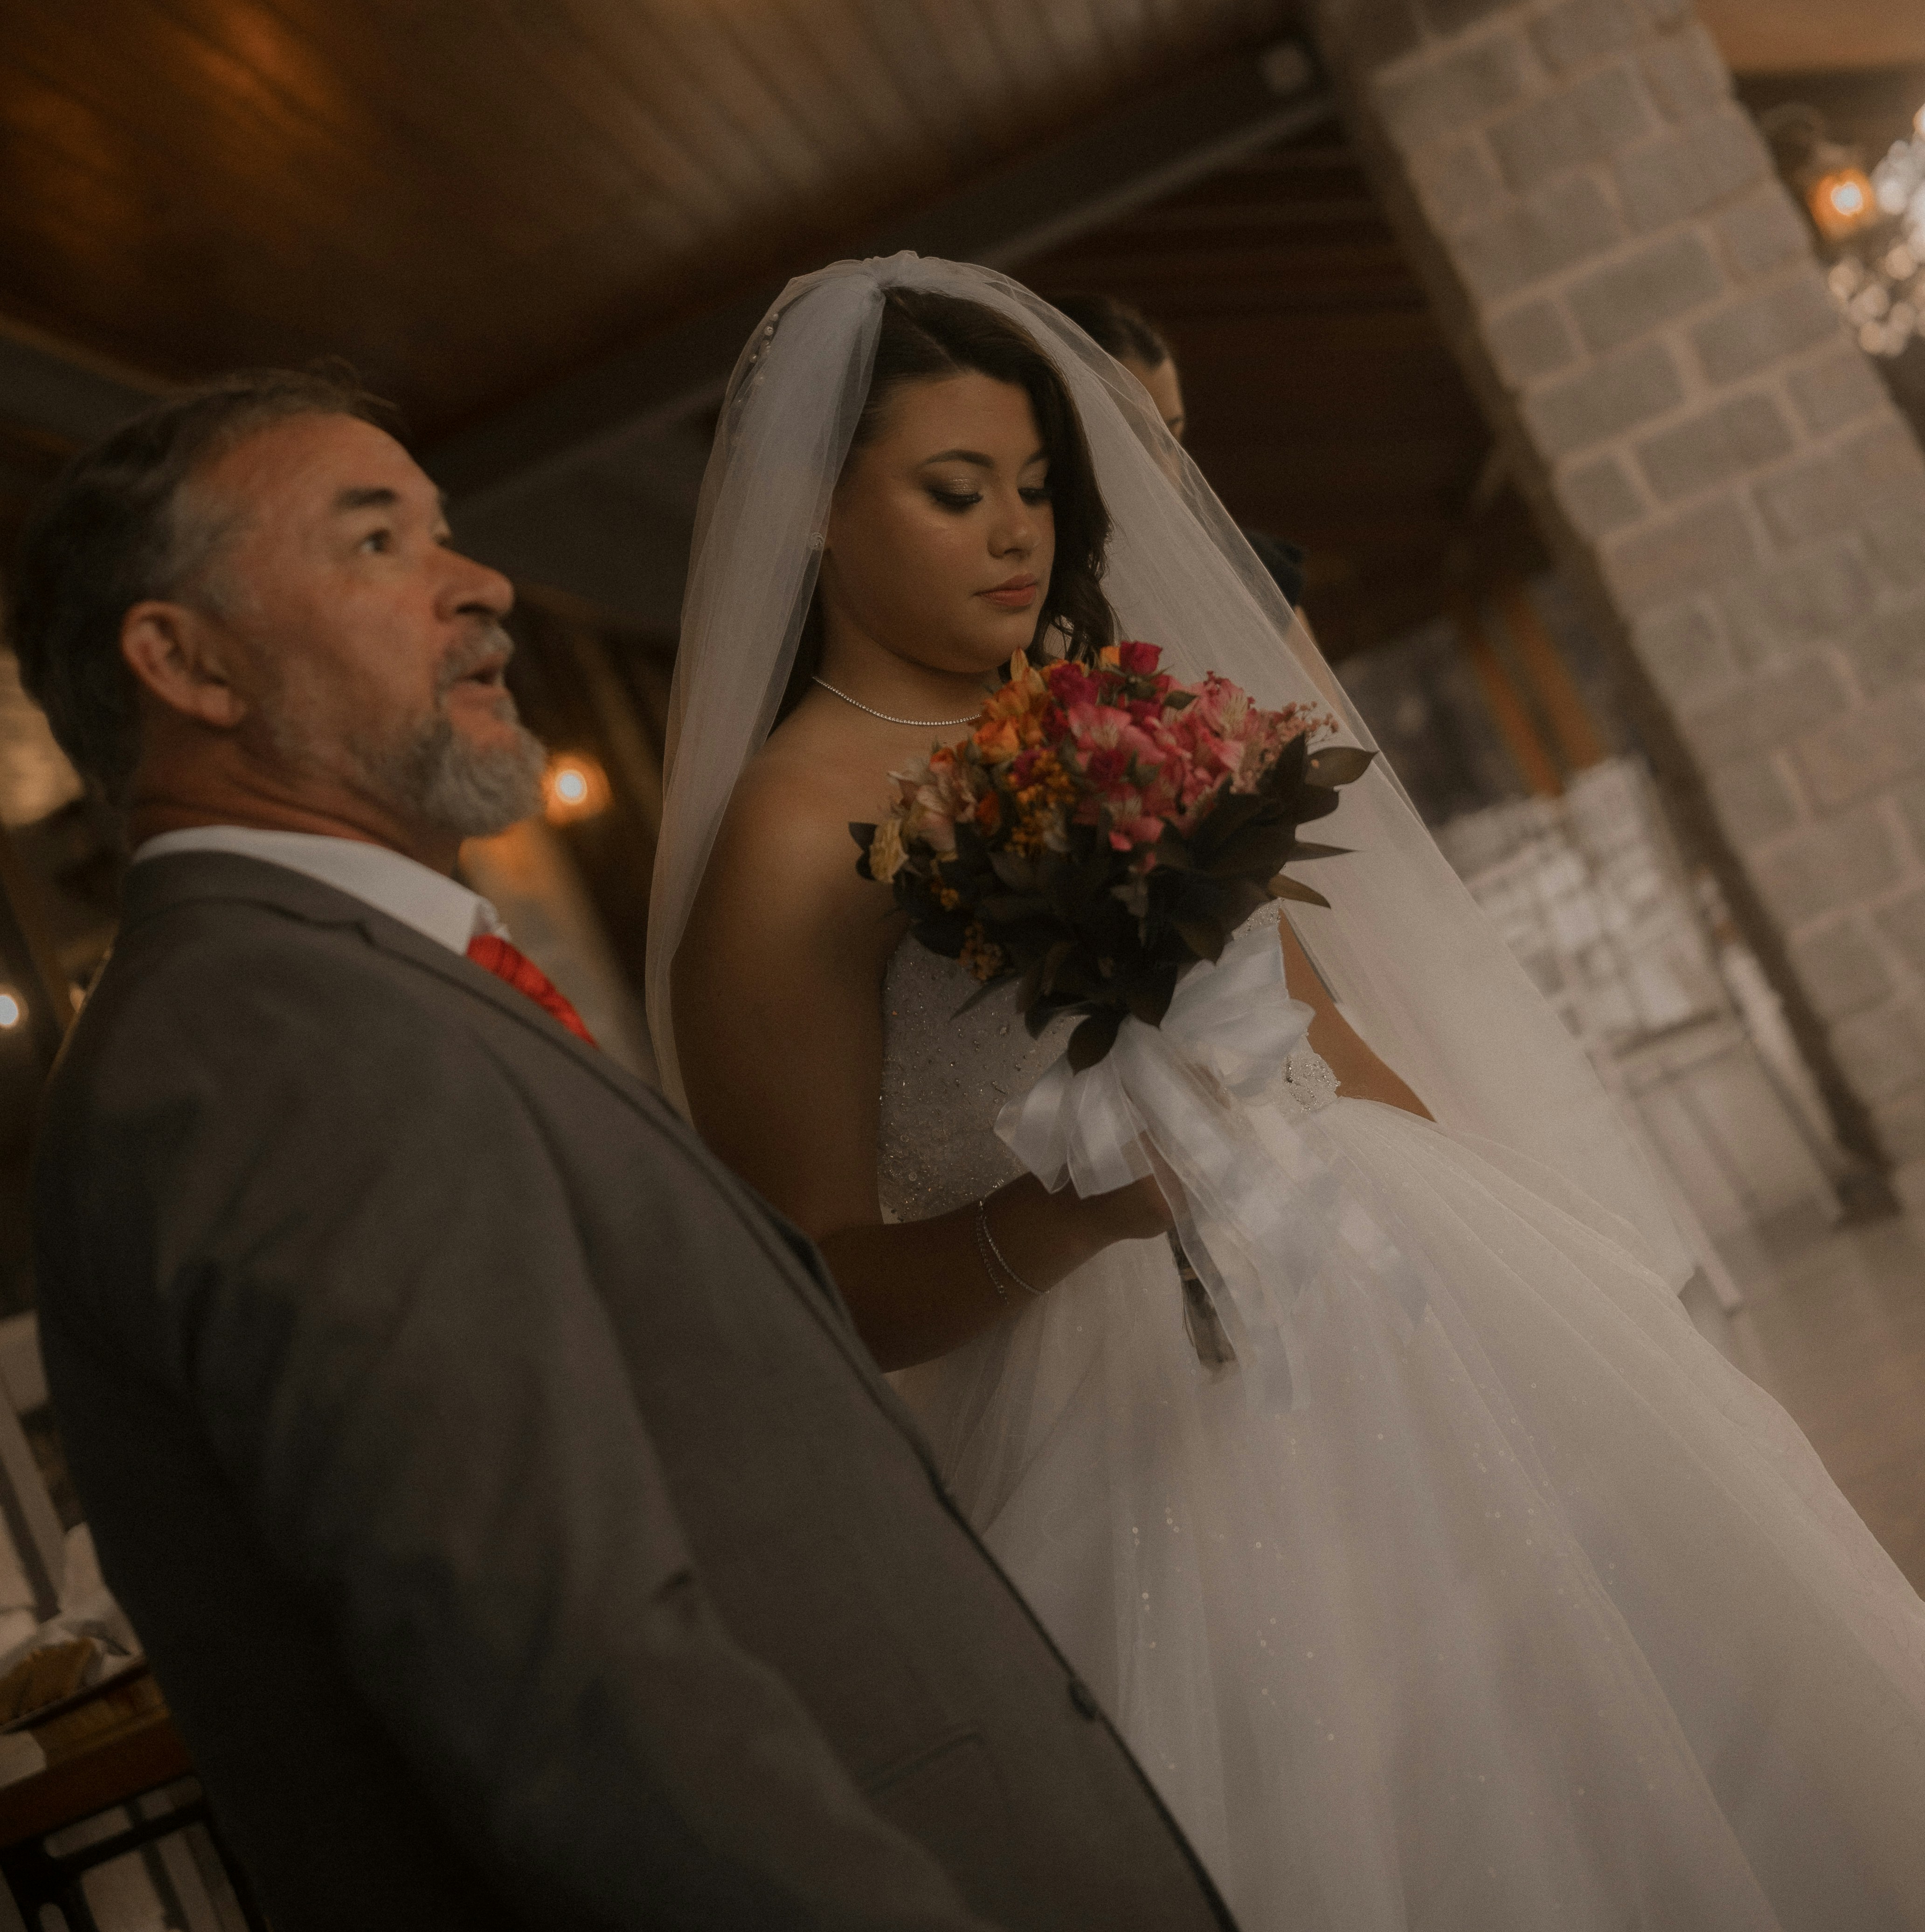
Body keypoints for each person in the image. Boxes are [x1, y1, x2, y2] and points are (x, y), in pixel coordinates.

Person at [657, 253, 1925, 1932]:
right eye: (955, 491)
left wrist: (1526, 1249)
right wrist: (1070, 1213)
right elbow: (807, 1281)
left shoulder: (1114, 705)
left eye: (1035, 485)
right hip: (1117, 1410)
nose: (1016, 533)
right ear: (816, 508)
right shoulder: (784, 838)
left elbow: (1308, 1024)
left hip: (1395, 1278)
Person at [12, 367, 1234, 1932]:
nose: (482, 583)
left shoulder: (349, 987)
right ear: (185, 661)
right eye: (377, 542)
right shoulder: (267, 1041)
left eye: (445, 531)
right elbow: (567, 1677)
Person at [1049, 292, 1308, 608]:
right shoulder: (1031, 592)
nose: (1163, 469)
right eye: (1132, 441)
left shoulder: (1249, 569)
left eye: (1169, 440)